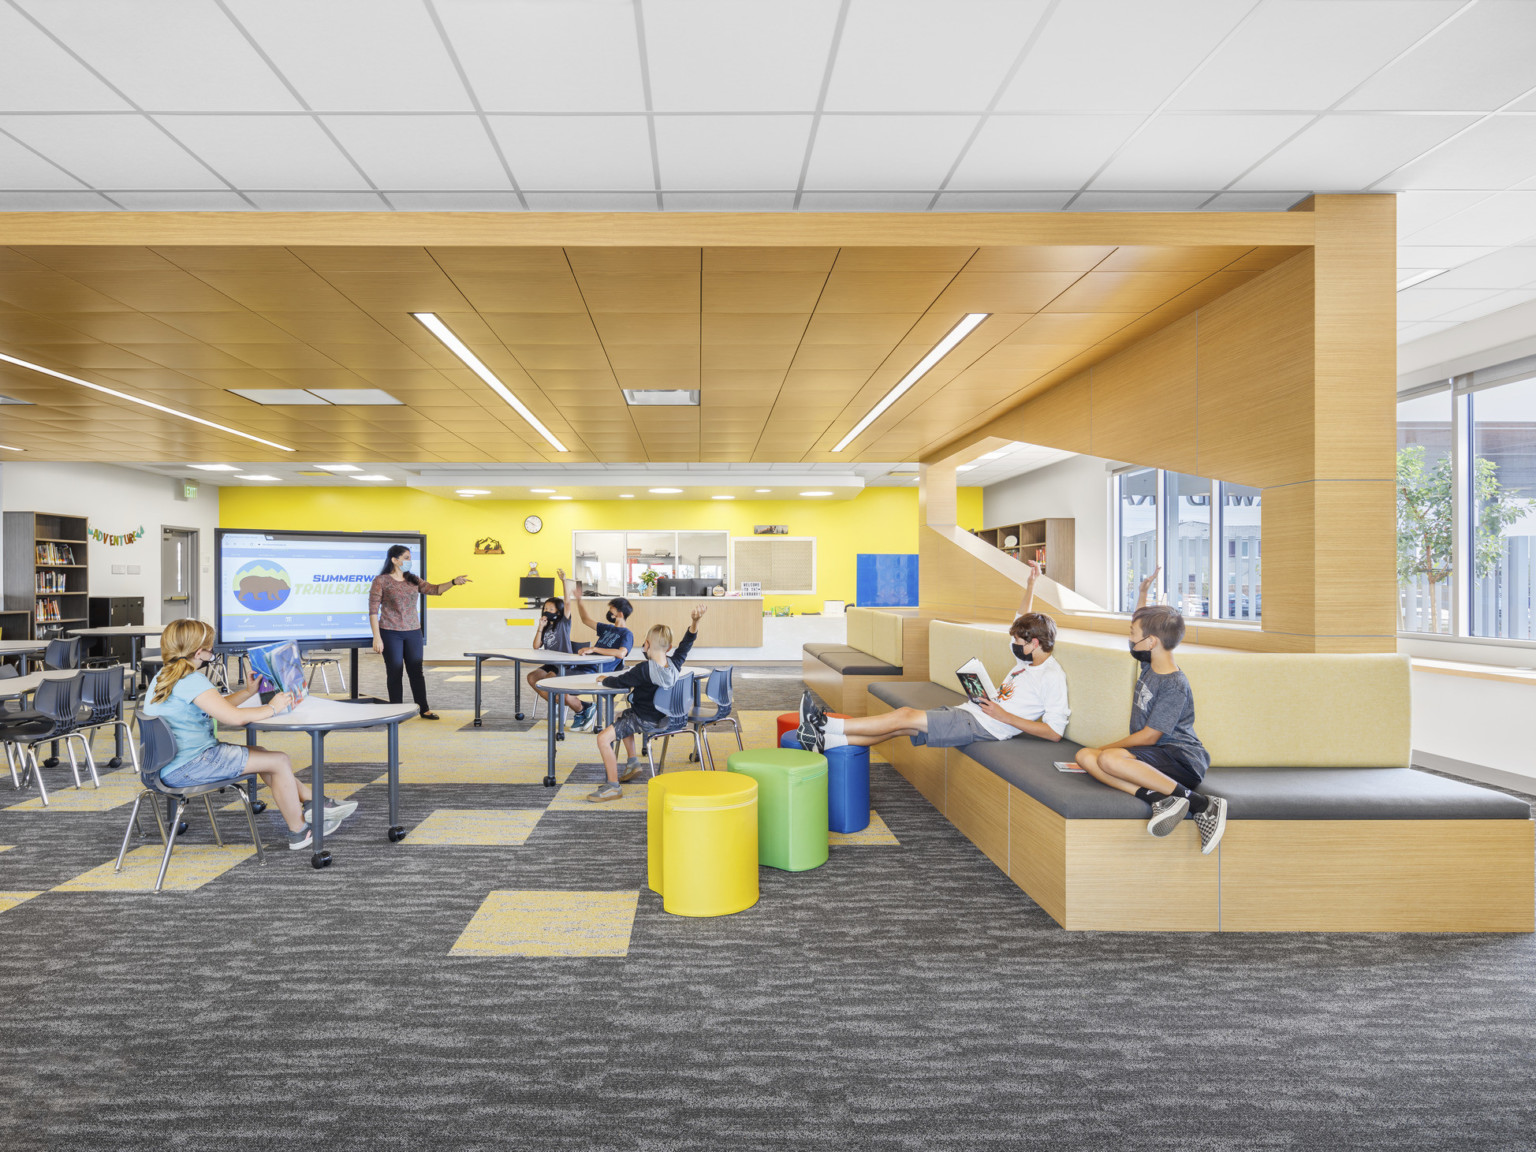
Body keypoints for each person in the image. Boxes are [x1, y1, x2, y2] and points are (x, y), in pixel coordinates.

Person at [798, 557, 1067, 752]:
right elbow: (1021, 617)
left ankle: (824, 725)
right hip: (973, 713)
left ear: (1034, 643)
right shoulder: (1026, 658)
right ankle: (827, 742)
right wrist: (1031, 584)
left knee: (904, 715)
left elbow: (1054, 732)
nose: (1015, 645)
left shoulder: (1051, 675)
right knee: (901, 727)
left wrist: (1002, 715)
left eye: (1019, 641)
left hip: (986, 726)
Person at [139, 619, 357, 851]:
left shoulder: (164, 677)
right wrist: (273, 707)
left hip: (165, 767)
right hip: (193, 765)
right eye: (210, 648)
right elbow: (232, 718)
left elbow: (215, 705)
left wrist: (247, 692)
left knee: (262, 755)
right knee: (279, 760)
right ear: (199, 652)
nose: (212, 653)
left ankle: (316, 803)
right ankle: (299, 831)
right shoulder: (192, 680)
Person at [1074, 568, 1227, 854]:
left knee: (1107, 759)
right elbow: (1142, 626)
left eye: (1133, 636)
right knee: (1084, 756)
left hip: (1181, 758)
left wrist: (1105, 747)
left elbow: (1148, 738)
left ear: (1152, 642)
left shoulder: (1174, 683)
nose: (1131, 640)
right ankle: (1159, 798)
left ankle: (1202, 804)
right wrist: (1142, 594)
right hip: (1155, 759)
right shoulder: (1150, 664)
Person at [586, 605, 706, 803]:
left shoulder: (642, 670)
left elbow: (619, 681)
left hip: (646, 720)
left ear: (646, 644)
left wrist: (604, 679)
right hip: (672, 719)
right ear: (669, 648)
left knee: (603, 739)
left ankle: (612, 787)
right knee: (621, 717)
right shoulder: (675, 663)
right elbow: (687, 643)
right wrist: (695, 622)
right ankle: (633, 762)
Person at [368, 544, 469, 720]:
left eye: (410, 557)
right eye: (406, 557)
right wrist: (377, 637)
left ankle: (424, 708)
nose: (410, 561)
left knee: (416, 670)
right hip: (390, 631)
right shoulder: (381, 580)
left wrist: (453, 582)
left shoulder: (413, 579)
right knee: (395, 671)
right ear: (394, 560)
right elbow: (373, 610)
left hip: (413, 631)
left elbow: (435, 590)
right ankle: (396, 711)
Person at [565, 581, 634, 732]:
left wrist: (595, 648)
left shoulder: (626, 634)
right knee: (556, 679)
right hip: (585, 666)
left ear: (620, 614)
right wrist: (579, 600)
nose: (609, 613)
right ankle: (584, 710)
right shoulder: (607, 628)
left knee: (562, 688)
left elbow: (621, 653)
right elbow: (585, 620)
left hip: (597, 671)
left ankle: (585, 710)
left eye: (612, 611)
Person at [526, 569, 578, 724]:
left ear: (558, 611)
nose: (547, 611)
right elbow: (536, 646)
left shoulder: (563, 623)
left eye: (550, 609)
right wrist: (540, 627)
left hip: (564, 663)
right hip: (551, 662)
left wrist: (564, 581)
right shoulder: (546, 626)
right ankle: (555, 703)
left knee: (546, 682)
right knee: (532, 677)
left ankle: (560, 706)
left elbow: (568, 603)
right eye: (545, 609)